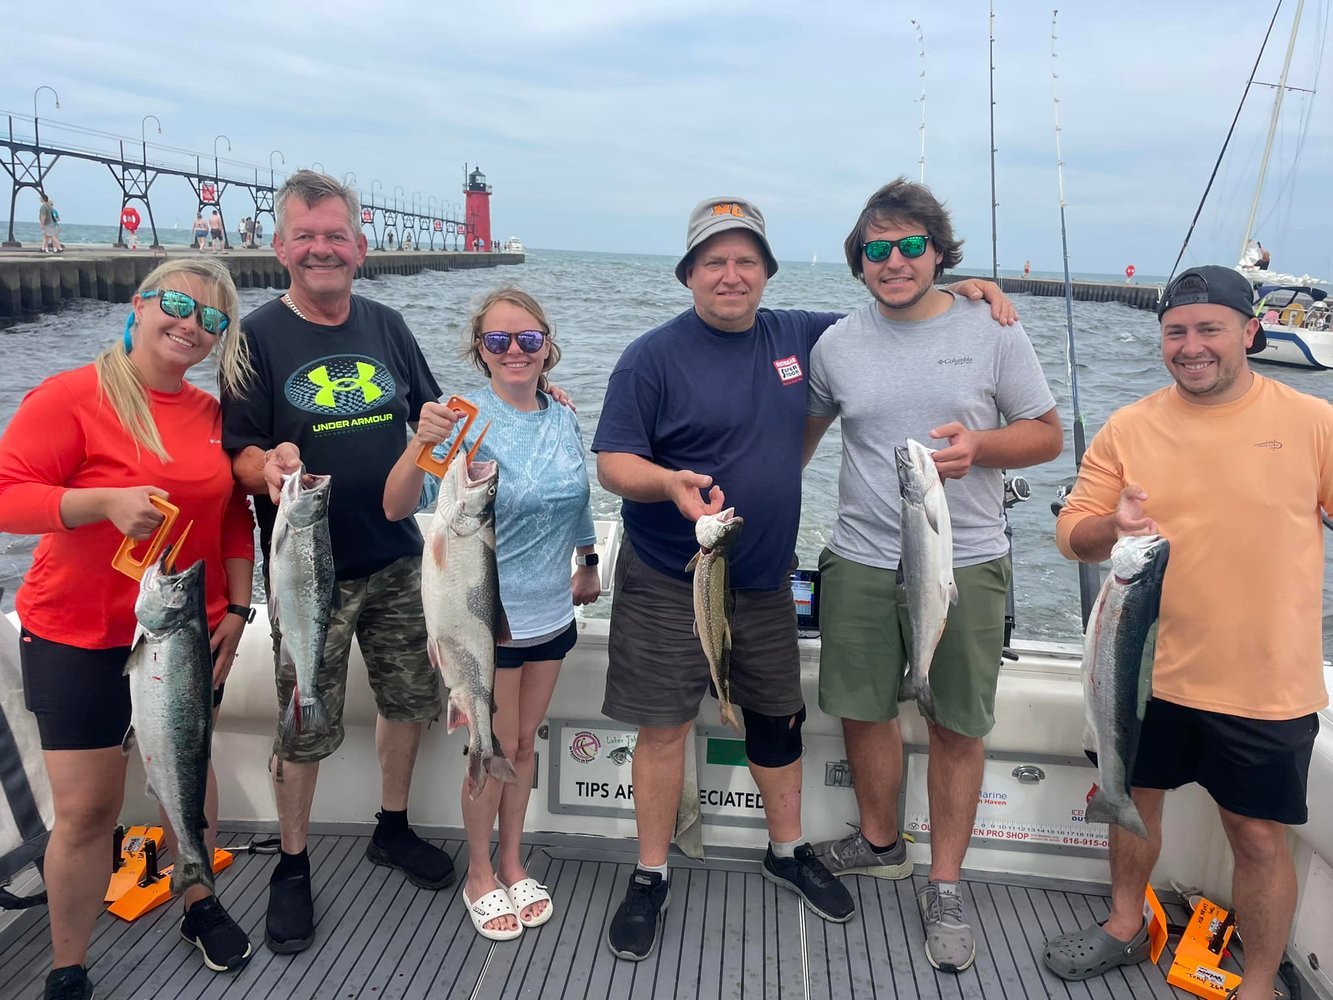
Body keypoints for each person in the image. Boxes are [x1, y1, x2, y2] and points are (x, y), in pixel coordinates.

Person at [591, 195, 1016, 962]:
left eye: (745, 260)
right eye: (713, 261)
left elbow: (897, 305)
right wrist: (666, 485)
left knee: (777, 723)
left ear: (766, 273)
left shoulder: (803, 335)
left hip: (762, 580)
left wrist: (969, 288)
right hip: (668, 576)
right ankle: (650, 874)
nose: (730, 274)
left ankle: (785, 851)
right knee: (662, 731)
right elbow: (613, 462)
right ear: (688, 273)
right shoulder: (650, 356)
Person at [1042, 265, 1333, 1000]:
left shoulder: (1311, 422)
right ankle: (1122, 923)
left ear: (1249, 331)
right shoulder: (1129, 427)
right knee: (1130, 801)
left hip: (1264, 680)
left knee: (1259, 838)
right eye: (1176, 331)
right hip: (1140, 671)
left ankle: (1259, 983)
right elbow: (1071, 533)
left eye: (1209, 329)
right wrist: (1113, 527)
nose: (1191, 346)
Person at [802, 178, 1062, 973]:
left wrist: (980, 448)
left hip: (967, 562)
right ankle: (881, 842)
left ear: (938, 252)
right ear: (857, 261)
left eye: (911, 245)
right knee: (862, 710)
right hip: (858, 559)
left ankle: (944, 881)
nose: (893, 261)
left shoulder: (992, 328)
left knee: (956, 725)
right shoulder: (835, 343)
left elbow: (1046, 436)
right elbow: (795, 444)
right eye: (876, 248)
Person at [0, 258, 257, 999]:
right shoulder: (73, 396)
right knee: (86, 810)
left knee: (188, 777)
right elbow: (10, 495)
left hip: (183, 635)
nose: (191, 325)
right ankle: (67, 962)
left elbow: (231, 521)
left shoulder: (211, 417)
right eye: (177, 304)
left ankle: (198, 900)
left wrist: (237, 612)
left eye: (212, 318)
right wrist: (100, 503)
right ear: (140, 305)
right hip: (75, 636)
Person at [220, 170, 454, 956]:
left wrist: (532, 390)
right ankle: (292, 863)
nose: (323, 249)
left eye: (336, 235)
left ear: (360, 245)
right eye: (306, 236)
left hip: (396, 558)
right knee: (303, 719)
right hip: (305, 571)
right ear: (280, 246)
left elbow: (431, 418)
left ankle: (391, 826)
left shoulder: (388, 326)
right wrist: (268, 467)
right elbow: (235, 454)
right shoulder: (253, 337)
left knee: (408, 699)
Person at [383, 287, 601, 941]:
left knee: (523, 743)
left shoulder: (561, 413)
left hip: (550, 612)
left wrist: (588, 560)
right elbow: (398, 505)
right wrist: (417, 443)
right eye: (498, 340)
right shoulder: (458, 419)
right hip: (481, 615)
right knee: (492, 742)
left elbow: (576, 495)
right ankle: (479, 871)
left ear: (546, 347)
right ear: (479, 349)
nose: (514, 351)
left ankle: (513, 860)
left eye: (527, 340)